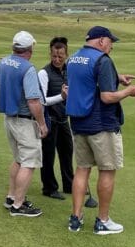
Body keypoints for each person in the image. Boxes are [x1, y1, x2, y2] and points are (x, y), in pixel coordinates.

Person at [65, 26, 135, 235]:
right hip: (101, 124)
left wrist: (116, 77)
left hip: (78, 123)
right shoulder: (102, 60)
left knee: (82, 169)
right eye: (111, 42)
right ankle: (102, 220)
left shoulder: (73, 58)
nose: (111, 46)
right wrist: (129, 91)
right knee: (107, 170)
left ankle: (76, 218)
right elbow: (107, 97)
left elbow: (85, 81)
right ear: (101, 41)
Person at [0, 31, 48, 217]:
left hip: (10, 119)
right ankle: (18, 206)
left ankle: (11, 197)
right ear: (29, 49)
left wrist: (5, 87)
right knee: (28, 163)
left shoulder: (4, 61)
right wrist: (42, 124)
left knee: (19, 159)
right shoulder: (27, 68)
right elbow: (33, 101)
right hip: (24, 121)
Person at [38, 36, 97, 207]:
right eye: (54, 56)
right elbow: (41, 100)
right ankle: (49, 188)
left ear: (66, 54)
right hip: (49, 120)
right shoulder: (44, 73)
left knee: (66, 153)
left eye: (60, 57)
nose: (57, 60)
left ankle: (69, 185)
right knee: (48, 155)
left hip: (64, 119)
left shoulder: (69, 70)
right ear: (50, 53)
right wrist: (61, 96)